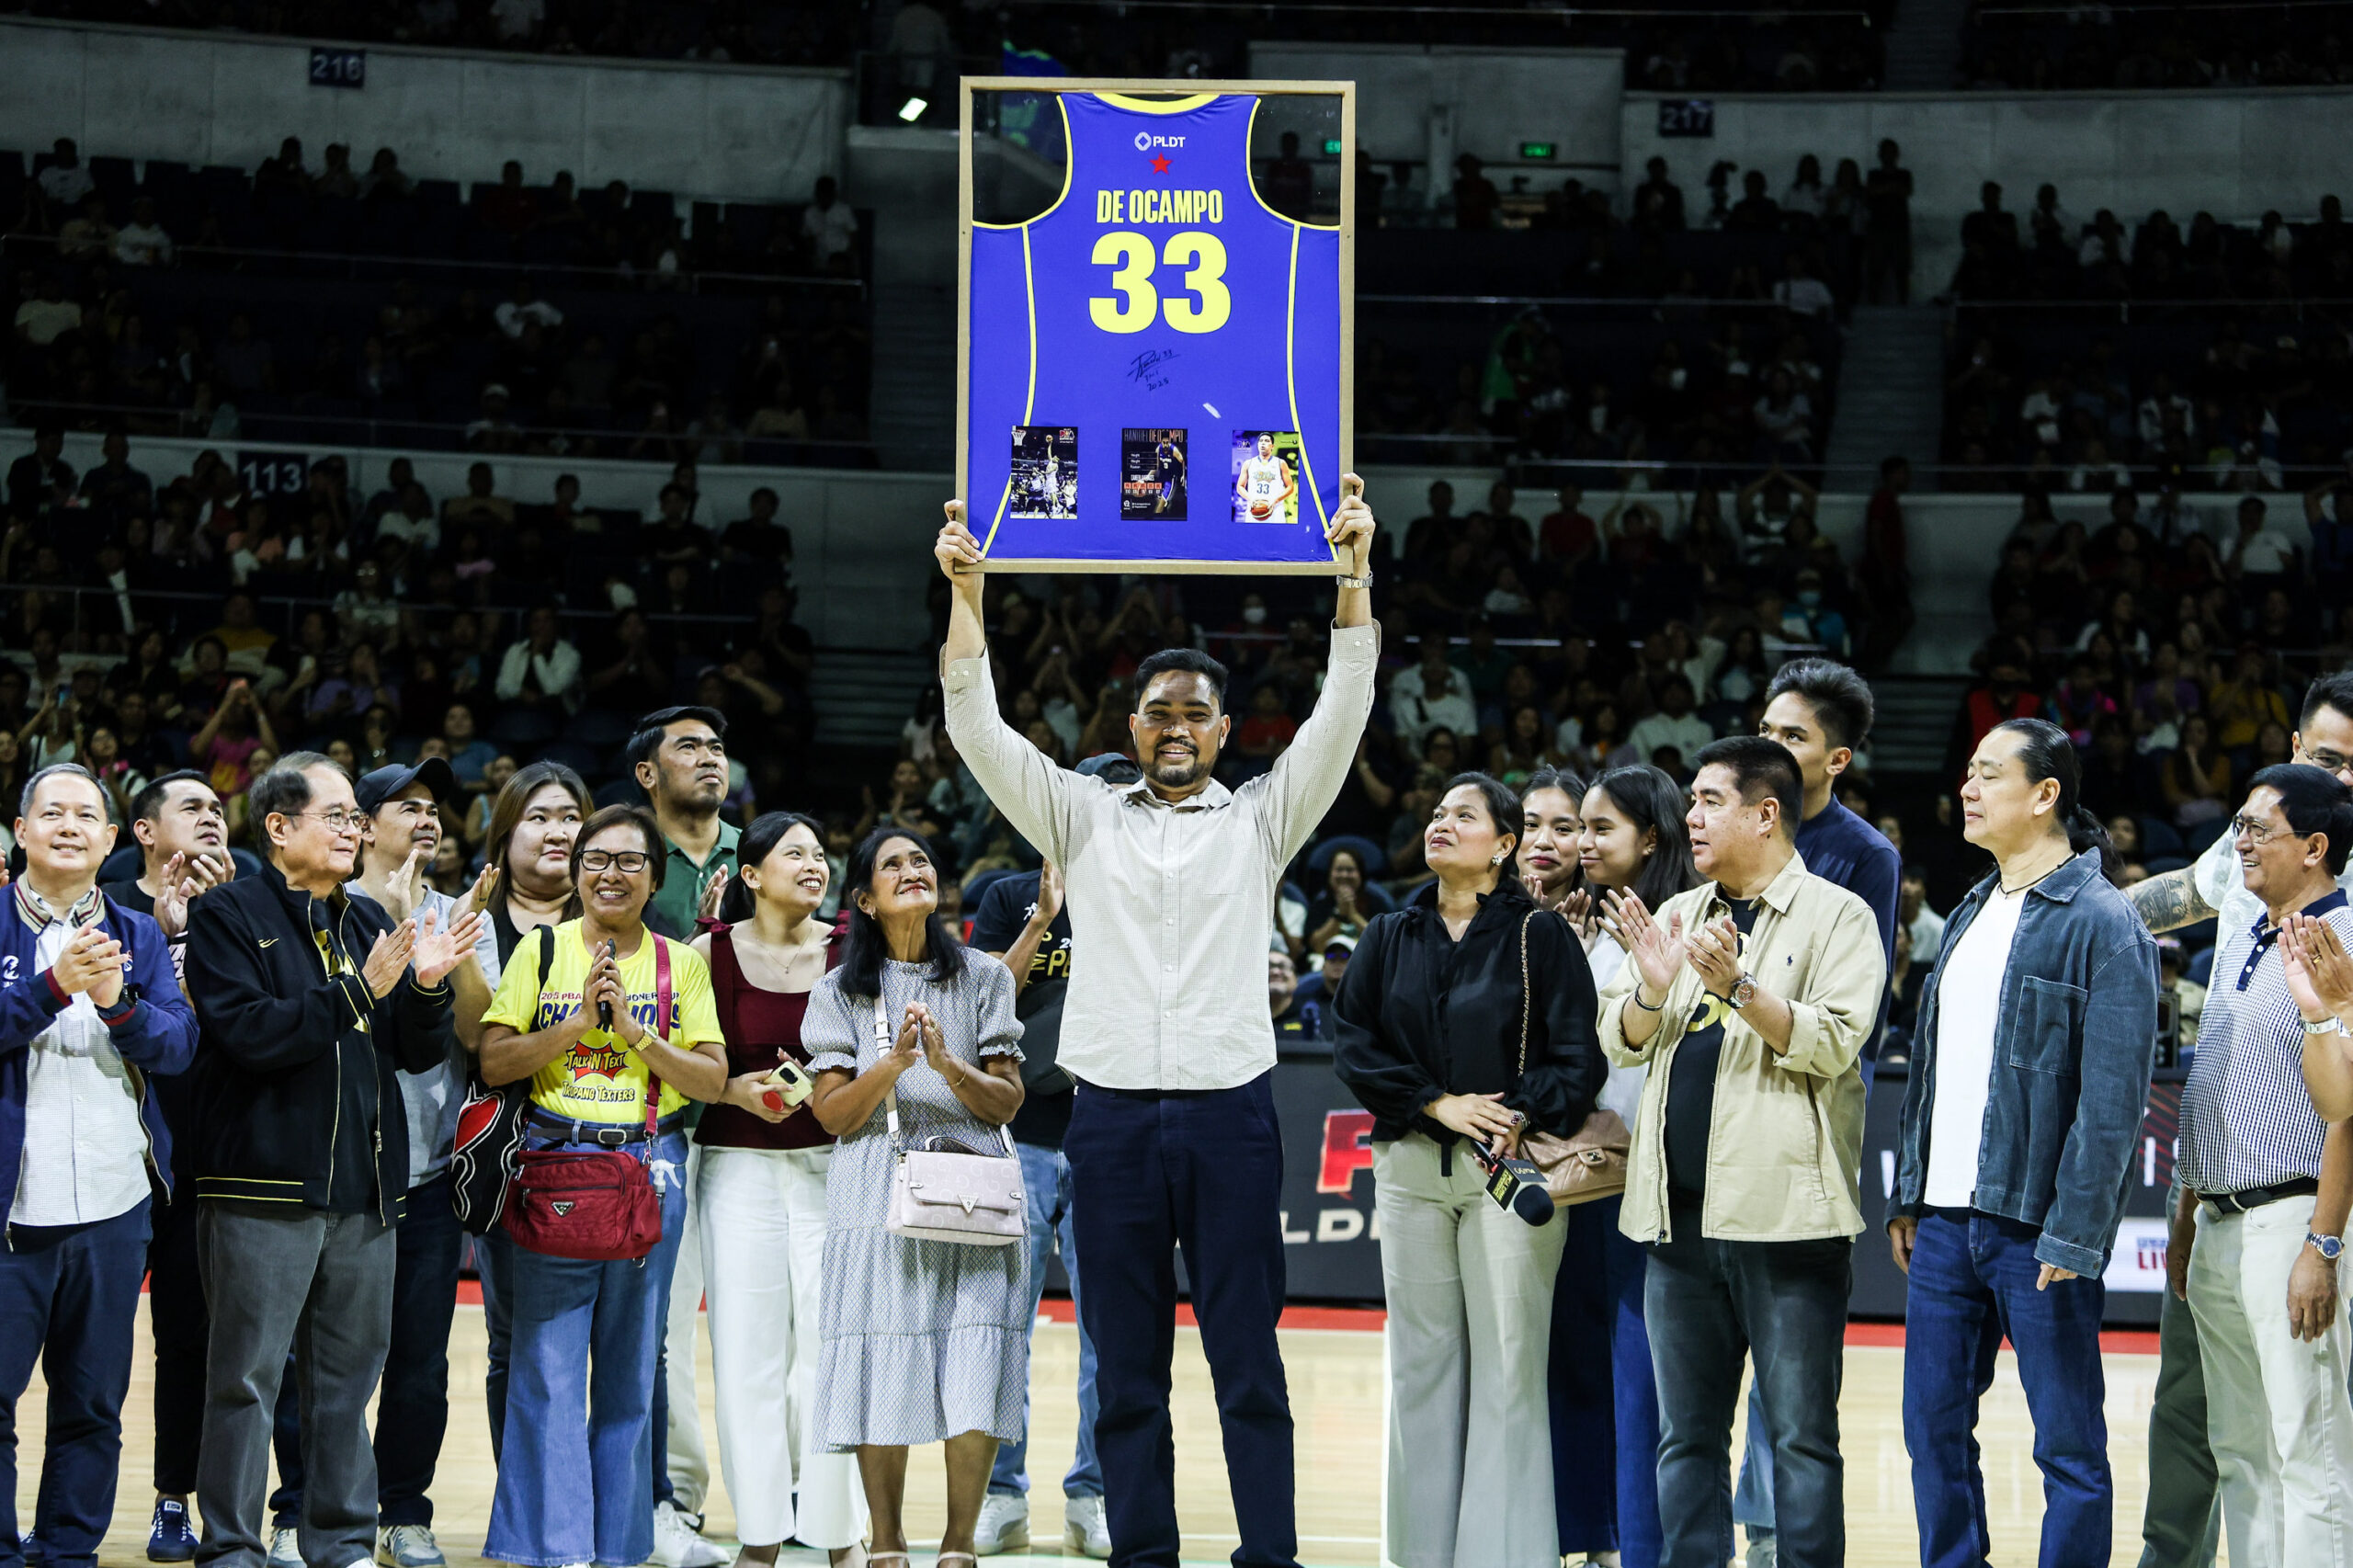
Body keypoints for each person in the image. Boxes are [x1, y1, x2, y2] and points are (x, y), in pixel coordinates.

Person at [934, 476, 1379, 1568]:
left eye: (1195, 712)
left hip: (1232, 1117)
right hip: (1113, 1120)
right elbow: (975, 724)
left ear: (1224, 730)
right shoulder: (1079, 814)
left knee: (1247, 1361)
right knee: (1126, 1365)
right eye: (1158, 711)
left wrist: (1353, 578)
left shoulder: (1263, 817)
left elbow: (1342, 712)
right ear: (1130, 726)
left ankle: (1268, 1555)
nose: (1176, 727)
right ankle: (1142, 1553)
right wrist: (968, 594)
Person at [1597, 736, 1886, 1568]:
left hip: (1787, 1229)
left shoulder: (1840, 916)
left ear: (1765, 815)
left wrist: (1739, 990)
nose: (1689, 816)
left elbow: (1834, 1042)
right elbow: (1618, 1037)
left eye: (1709, 801)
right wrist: (1651, 989)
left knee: (1801, 1439)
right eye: (1691, 801)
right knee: (1685, 1439)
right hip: (1677, 1224)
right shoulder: (1680, 913)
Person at [183, 755, 477, 1568]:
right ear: (279, 827)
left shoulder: (367, 922)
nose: (355, 831)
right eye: (339, 816)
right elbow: (249, 1033)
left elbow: (414, 1051)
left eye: (356, 818)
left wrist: (427, 987)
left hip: (365, 1193)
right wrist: (359, 990)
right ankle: (233, 1546)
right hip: (261, 1188)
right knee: (246, 1382)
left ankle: (342, 1543)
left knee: (348, 1386)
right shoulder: (227, 915)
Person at [1888, 719, 2158, 1568]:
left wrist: (2076, 1234)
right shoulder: (1969, 909)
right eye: (1967, 773)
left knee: (2068, 1446)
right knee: (1931, 1431)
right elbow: (1931, 1069)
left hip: (2038, 1231)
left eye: (1987, 774)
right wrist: (1911, 1193)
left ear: (2045, 795)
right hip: (1943, 1221)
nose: (1966, 788)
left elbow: (2112, 1106)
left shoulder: (2104, 922)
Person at [1334, 773, 1603, 1568]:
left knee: (1509, 1369)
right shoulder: (1390, 931)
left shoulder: (1540, 935)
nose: (1441, 823)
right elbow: (1354, 1044)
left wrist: (1517, 1111)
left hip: (1508, 1174)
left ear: (1504, 845)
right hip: (1410, 1166)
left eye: (1464, 815)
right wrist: (1435, 1103)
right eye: (1437, 813)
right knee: (1420, 1367)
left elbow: (1577, 1060)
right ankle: (1418, 1558)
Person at [2121, 673, 2353, 1568]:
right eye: (2328, 757)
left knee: (2310, 1449)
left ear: (2316, 846)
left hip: (2305, 1208)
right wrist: (2188, 1205)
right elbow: (2181, 893)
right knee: (2227, 1439)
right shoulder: (2256, 867)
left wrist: (2323, 1240)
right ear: (2295, 748)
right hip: (2217, 1204)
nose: (2343, 776)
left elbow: (2346, 1104)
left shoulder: (2337, 918)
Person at [476, 805, 730, 1568]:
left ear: (654, 877)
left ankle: (616, 1547)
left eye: (628, 861)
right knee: (546, 1369)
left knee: (631, 1367)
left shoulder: (682, 965)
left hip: (652, 1168)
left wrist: (635, 1034)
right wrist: (577, 1023)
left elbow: (711, 1081)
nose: (610, 874)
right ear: (577, 870)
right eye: (595, 859)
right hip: (555, 1163)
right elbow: (495, 1062)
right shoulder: (542, 949)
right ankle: (553, 1549)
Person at [269, 761, 495, 1568]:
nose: (428, 819)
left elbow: (475, 1036)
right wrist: (388, 931)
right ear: (361, 824)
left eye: (435, 808)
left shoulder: (460, 914)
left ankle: (403, 1511)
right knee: (311, 1361)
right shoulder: (319, 910)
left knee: (418, 1366)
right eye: (409, 806)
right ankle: (298, 1511)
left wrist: (451, 948)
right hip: (336, 1172)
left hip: (426, 1173)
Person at [803, 828, 1028, 1568]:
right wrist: (895, 1063)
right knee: (881, 1354)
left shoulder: (985, 977)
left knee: (976, 1356)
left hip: (973, 1186)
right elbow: (833, 1115)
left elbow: (1007, 1102)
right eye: (892, 864)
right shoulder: (838, 991)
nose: (912, 870)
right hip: (875, 1187)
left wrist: (946, 1063)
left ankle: (959, 1546)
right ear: (864, 899)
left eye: (921, 859)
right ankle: (888, 1543)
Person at [0, 766, 198, 1568]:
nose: (70, 826)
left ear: (111, 839)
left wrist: (119, 1003)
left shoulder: (138, 934)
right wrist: (53, 987)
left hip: (115, 1207)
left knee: (91, 1405)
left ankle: (67, 1553)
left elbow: (178, 1045)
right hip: (12, 1211)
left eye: (87, 815)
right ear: (22, 831)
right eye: (53, 812)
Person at [968, 758, 1141, 1561]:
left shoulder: (1152, 894)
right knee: (1004, 1327)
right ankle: (1002, 1496)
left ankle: (1092, 1496)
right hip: (1021, 1135)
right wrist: (1043, 918)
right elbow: (978, 1000)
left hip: (1114, 1132)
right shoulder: (1009, 897)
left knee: (1111, 1334)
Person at [1529, 764, 1699, 1568]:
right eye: (1578, 828)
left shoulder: (1689, 923)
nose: (1582, 844)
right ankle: (1586, 1539)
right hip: (1581, 1174)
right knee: (1574, 1363)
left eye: (1600, 829)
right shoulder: (1580, 927)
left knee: (1643, 1382)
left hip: (1656, 1183)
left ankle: (1644, 1548)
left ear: (1651, 839)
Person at [688, 812, 869, 1568]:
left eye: (821, 853)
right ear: (752, 875)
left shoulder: (854, 949)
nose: (814, 864)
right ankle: (760, 1535)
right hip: (737, 1167)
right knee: (746, 1359)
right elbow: (688, 1061)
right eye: (795, 853)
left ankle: (840, 1534)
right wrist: (732, 1089)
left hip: (839, 1168)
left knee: (835, 1353)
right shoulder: (709, 951)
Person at [100, 770, 236, 1563]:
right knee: (90, 1348)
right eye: (192, 808)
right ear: (145, 831)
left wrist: (207, 931)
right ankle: (64, 1511)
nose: (212, 817)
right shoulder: (112, 906)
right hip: (116, 1157)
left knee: (188, 1342)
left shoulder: (245, 907)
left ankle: (174, 1500)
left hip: (203, 1161)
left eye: (219, 809)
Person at [627, 706, 738, 1565]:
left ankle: (788, 1491)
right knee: (665, 1325)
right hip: (659, 1123)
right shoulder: (625, 857)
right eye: (688, 747)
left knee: (773, 1320)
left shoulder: (763, 850)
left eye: (717, 747)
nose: (709, 759)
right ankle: (679, 1492)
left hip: (761, 1127)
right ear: (647, 772)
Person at [466, 762, 590, 1463]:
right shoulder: (472, 920)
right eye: (538, 817)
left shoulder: (612, 920)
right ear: (506, 833)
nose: (557, 831)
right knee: (512, 1338)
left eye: (571, 817)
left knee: (606, 1342)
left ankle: (594, 1496)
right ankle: (523, 1499)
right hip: (503, 1155)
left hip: (600, 1151)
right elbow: (476, 1044)